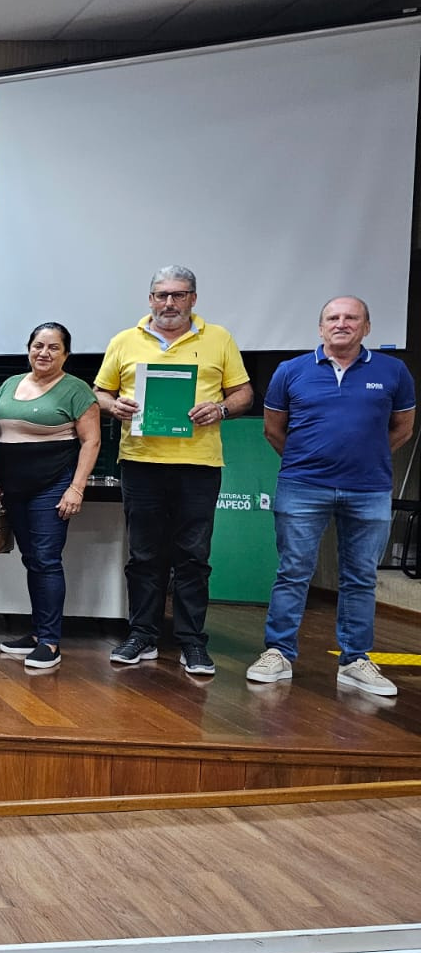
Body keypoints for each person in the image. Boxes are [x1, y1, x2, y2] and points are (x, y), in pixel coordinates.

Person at [246, 296, 415, 697]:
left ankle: (355, 660)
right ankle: (278, 652)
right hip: (302, 487)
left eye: (351, 317)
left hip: (369, 490)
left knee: (361, 577)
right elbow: (273, 429)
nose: (342, 323)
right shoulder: (291, 371)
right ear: (321, 327)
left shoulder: (394, 371)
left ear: (366, 327)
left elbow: (403, 429)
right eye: (333, 318)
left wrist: (365, 460)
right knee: (293, 572)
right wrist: (308, 462)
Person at [94, 265, 252, 675]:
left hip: (199, 465)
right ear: (150, 299)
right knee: (143, 555)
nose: (169, 303)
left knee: (193, 557)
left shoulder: (219, 338)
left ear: (193, 299)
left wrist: (220, 408)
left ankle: (192, 641)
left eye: (178, 295)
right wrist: (114, 406)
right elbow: (100, 393)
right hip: (141, 462)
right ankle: (141, 635)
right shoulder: (124, 341)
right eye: (162, 295)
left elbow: (243, 393)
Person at [0, 322, 101, 670]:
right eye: (38, 345)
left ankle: (50, 642)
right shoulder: (9, 384)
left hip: (52, 487)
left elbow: (92, 441)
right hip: (13, 488)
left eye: (53, 347)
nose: (44, 353)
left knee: (46, 559)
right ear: (28, 349)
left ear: (66, 354)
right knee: (31, 560)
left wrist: (76, 488)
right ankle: (37, 633)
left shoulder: (76, 390)